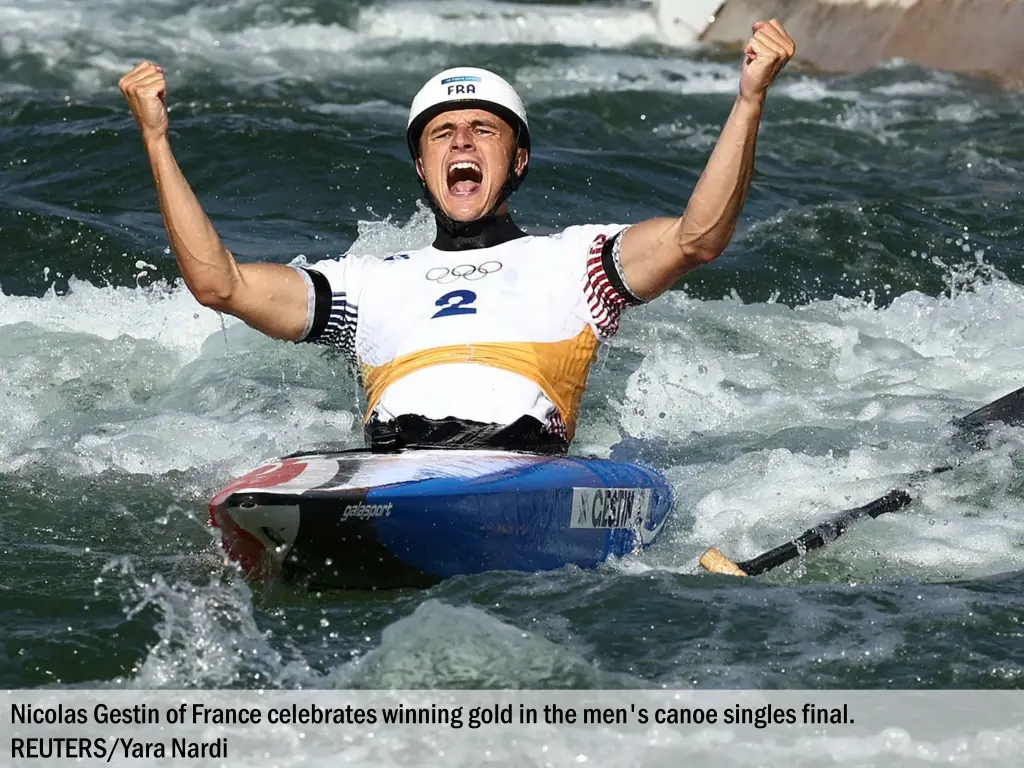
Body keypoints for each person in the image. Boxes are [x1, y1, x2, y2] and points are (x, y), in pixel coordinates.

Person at [119, 21, 795, 454]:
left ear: (518, 160)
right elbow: (220, 284)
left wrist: (749, 98)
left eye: (483, 130)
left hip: (519, 467)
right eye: (444, 133)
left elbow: (698, 238)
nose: (463, 141)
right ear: (422, 166)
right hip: (393, 470)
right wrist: (155, 137)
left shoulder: (578, 264)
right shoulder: (366, 283)